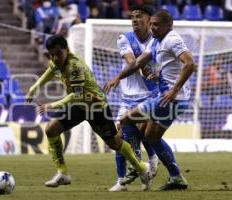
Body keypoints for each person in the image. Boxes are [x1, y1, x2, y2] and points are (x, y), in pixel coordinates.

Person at [25, 34, 152, 189]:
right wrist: (33, 89)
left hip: (95, 106)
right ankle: (63, 173)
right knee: (51, 129)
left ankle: (142, 169)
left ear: (66, 49)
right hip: (79, 106)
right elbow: (49, 73)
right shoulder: (56, 62)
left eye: (58, 53)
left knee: (115, 143)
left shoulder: (75, 66)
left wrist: (52, 105)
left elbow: (77, 94)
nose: (55, 58)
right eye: (51, 54)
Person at [107, 9, 196, 190]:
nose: (153, 27)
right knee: (150, 137)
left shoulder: (172, 39)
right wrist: (118, 77)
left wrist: (174, 90)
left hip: (170, 99)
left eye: (157, 24)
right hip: (171, 100)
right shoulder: (156, 41)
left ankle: (137, 166)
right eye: (152, 24)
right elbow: (138, 63)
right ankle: (176, 177)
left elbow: (190, 63)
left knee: (125, 120)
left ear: (168, 26)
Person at [104, 5, 158, 192]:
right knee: (118, 139)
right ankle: (122, 180)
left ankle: (152, 160)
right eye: (132, 16)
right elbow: (131, 62)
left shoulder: (157, 40)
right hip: (127, 98)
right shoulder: (124, 38)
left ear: (150, 20)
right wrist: (123, 76)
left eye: (139, 16)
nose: (134, 19)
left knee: (143, 133)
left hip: (149, 94)